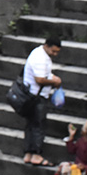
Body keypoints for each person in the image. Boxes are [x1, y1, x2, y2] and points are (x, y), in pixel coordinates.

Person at [22, 36, 63, 167]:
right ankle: (36, 155)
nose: (55, 54)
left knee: (30, 125)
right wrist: (54, 81)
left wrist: (51, 77)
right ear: (47, 46)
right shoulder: (40, 58)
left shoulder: (39, 53)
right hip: (36, 97)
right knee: (38, 125)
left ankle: (28, 153)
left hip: (31, 95)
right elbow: (39, 79)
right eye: (54, 51)